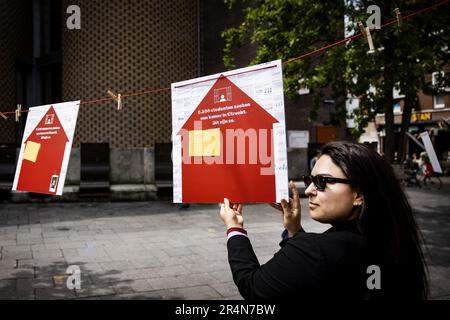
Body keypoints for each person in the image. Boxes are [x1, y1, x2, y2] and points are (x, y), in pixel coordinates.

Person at [219, 141, 428, 300]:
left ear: (359, 195)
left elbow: (253, 286)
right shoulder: (392, 240)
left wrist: (234, 228)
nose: (309, 190)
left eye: (322, 181)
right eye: (310, 180)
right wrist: (294, 230)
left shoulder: (315, 250)